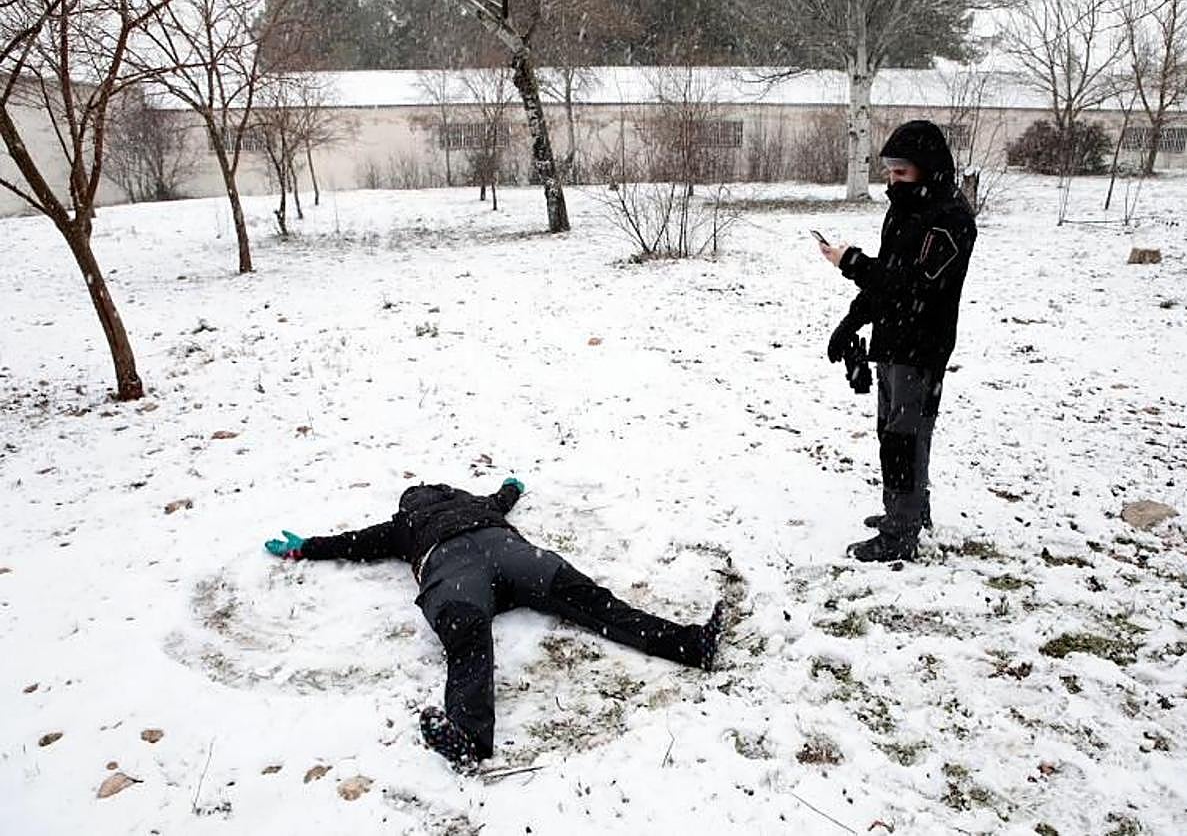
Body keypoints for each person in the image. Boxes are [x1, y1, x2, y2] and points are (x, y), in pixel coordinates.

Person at [263, 477, 726, 769]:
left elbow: (352, 542)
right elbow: (355, 542)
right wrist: (512, 490)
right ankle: (688, 645)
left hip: (460, 566)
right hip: (503, 555)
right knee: (587, 605)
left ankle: (691, 644)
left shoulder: (409, 523)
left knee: (479, 637)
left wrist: (307, 547)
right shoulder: (455, 510)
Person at [818, 120, 978, 563]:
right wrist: (852, 322)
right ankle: (907, 511)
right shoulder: (905, 210)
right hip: (892, 340)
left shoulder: (951, 220)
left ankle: (902, 531)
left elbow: (911, 286)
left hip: (922, 346)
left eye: (902, 173)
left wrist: (849, 262)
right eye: (889, 172)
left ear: (928, 170)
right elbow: (887, 281)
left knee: (905, 437)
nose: (892, 181)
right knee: (893, 433)